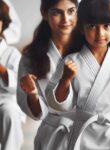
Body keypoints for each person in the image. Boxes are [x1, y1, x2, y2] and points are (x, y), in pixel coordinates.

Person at [45, 0, 110, 149]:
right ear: (81, 28)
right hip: (85, 133)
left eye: (106, 26)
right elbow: (58, 104)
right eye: (92, 26)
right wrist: (65, 79)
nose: (100, 33)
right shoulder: (71, 61)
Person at [17, 0, 79, 149]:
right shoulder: (31, 56)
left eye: (71, 11)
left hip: (88, 133)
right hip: (52, 134)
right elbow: (37, 113)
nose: (66, 20)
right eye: (57, 12)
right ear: (44, 14)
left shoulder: (90, 48)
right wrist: (32, 94)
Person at [0, 1, 25, 150]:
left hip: (6, 101)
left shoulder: (12, 54)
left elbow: (20, 84)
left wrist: (2, 70)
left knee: (9, 111)